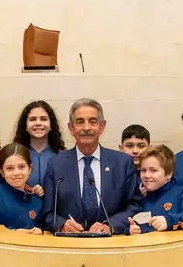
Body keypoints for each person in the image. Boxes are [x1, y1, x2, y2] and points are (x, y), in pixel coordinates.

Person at [40, 98, 142, 235]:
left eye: (92, 122)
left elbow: (135, 205)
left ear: (102, 126)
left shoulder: (122, 163)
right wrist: (61, 224)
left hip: (111, 245)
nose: (86, 128)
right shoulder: (56, 164)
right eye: (80, 122)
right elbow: (47, 213)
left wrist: (110, 225)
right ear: (71, 128)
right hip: (69, 244)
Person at [128, 145, 183, 235]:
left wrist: (169, 221)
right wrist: (131, 230)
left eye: (153, 170)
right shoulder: (140, 198)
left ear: (169, 173)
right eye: (143, 170)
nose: (146, 175)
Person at [0, 144, 43, 233]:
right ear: (1, 171)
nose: (16, 173)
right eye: (10, 168)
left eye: (22, 167)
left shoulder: (37, 199)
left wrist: (40, 231)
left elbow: (45, 229)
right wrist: (13, 234)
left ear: (30, 169)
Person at [13, 100, 64, 192]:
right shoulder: (15, 156)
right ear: (25, 126)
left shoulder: (62, 156)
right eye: (32, 119)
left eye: (43, 119)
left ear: (51, 125)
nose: (38, 123)